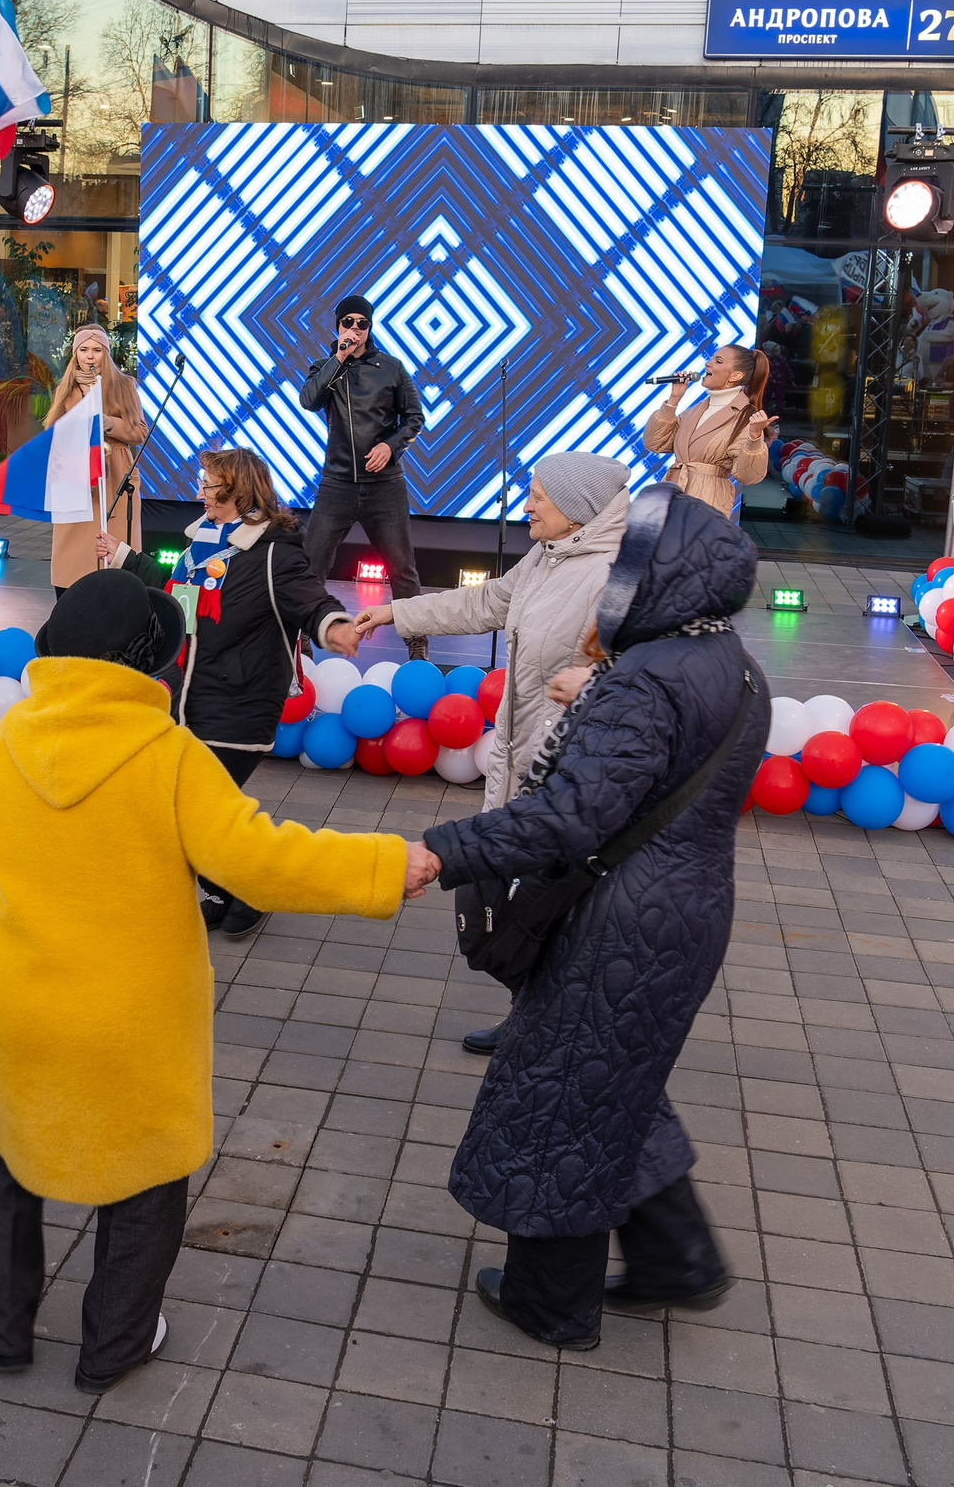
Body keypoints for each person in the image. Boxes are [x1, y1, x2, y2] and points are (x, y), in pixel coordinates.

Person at [0, 569, 437, 1391]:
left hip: (17, 1003)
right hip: (134, 1018)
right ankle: (116, 1342)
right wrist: (384, 862)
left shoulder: (8, 737)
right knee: (145, 1176)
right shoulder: (168, 754)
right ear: (155, 663)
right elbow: (261, 861)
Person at [416, 483, 768, 1351]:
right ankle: (677, 1259)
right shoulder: (731, 661)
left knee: (565, 1094)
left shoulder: (647, 680)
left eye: (632, 561)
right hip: (686, 906)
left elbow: (571, 815)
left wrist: (447, 848)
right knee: (616, 1081)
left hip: (623, 915)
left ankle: (551, 1300)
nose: (618, 576)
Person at [343, 451, 631, 1055]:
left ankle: (562, 1030)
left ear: (577, 509)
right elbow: (488, 602)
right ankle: (540, 1021)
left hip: (570, 773)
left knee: (555, 907)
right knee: (529, 904)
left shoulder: (612, 577)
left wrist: (586, 692)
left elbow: (643, 676)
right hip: (521, 759)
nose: (525, 506)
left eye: (538, 497)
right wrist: (397, 612)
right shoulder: (551, 556)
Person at [169, 447, 358, 940]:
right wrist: (124, 558)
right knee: (199, 810)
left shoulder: (274, 551)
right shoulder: (201, 547)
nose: (201, 493)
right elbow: (181, 604)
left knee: (194, 809)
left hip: (240, 704)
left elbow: (309, 597)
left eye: (210, 486)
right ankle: (228, 891)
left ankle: (249, 888)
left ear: (237, 492)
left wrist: (333, 625)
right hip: (193, 699)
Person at [298, 295, 427, 659]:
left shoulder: (391, 367)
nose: (355, 329)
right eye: (348, 322)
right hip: (337, 483)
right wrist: (338, 359)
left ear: (370, 328)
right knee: (313, 563)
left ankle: (416, 643)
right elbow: (308, 400)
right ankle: (302, 637)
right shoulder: (325, 367)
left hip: (384, 486)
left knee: (402, 567)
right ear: (338, 327)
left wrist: (391, 446)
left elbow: (414, 418)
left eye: (362, 324)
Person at [43, 325, 149, 593]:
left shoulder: (125, 385)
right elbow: (52, 434)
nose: (90, 356)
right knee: (73, 554)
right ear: (75, 354)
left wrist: (111, 424)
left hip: (116, 475)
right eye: (84, 350)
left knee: (115, 547)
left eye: (97, 350)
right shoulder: (65, 390)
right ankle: (71, 602)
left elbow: (140, 432)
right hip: (77, 476)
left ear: (107, 353)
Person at [643, 346, 771, 520]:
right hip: (670, 499)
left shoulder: (745, 417)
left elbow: (748, 476)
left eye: (718, 361)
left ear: (735, 376)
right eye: (711, 358)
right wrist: (673, 400)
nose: (708, 363)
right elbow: (655, 443)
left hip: (706, 506)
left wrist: (754, 438)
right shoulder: (697, 409)